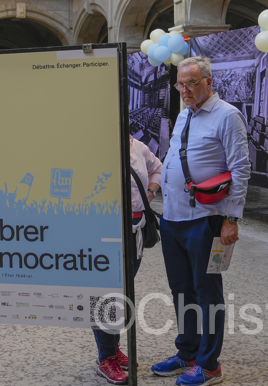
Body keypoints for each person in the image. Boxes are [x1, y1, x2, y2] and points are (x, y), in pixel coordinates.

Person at [151, 56, 250, 386]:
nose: (185, 90)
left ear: (209, 82)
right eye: (180, 84)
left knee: (207, 293)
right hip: (173, 218)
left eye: (192, 83)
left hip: (206, 219)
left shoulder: (227, 116)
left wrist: (231, 219)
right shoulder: (182, 115)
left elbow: (240, 169)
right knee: (181, 291)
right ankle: (188, 353)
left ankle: (209, 366)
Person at [93, 135, 163, 384]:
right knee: (102, 292)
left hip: (136, 229)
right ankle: (105, 358)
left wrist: (150, 194)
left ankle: (112, 347)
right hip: (103, 229)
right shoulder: (93, 145)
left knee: (120, 293)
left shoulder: (139, 147)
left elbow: (157, 168)